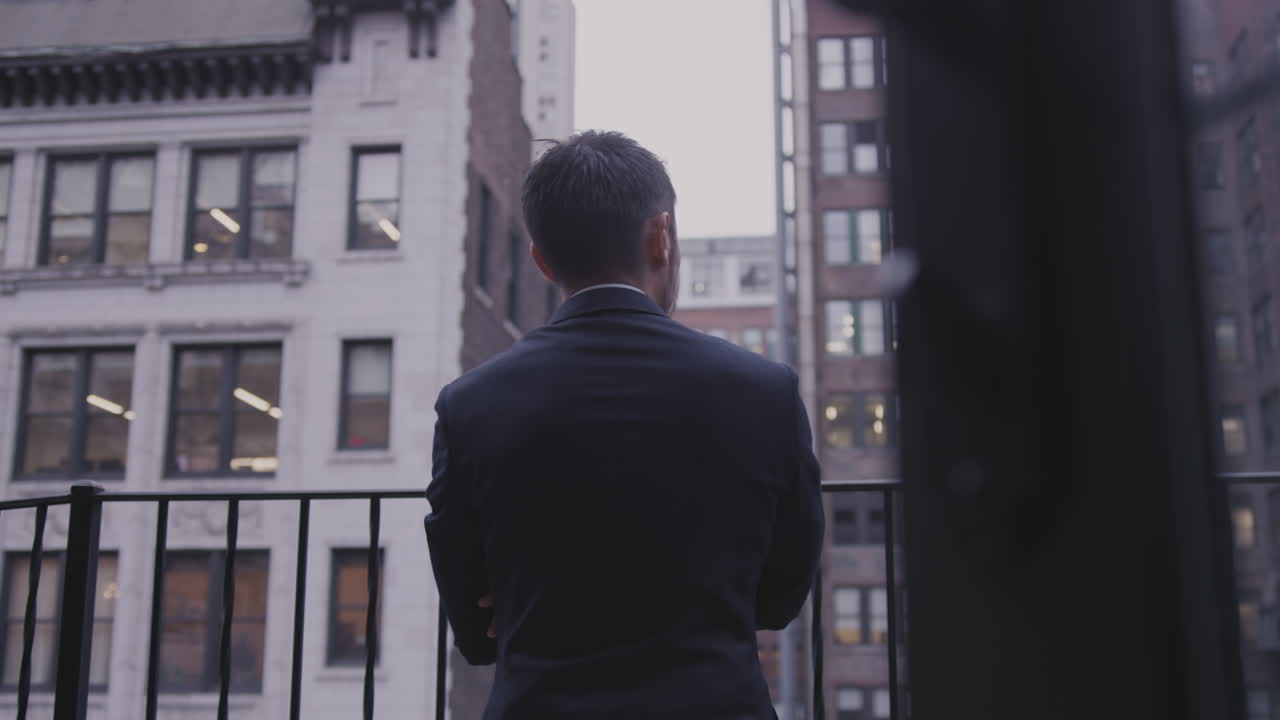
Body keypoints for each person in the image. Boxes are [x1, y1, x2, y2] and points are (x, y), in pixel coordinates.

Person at [425, 131, 823, 719]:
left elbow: (476, 632)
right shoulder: (765, 392)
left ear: (540, 258)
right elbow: (781, 597)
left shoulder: (469, 405)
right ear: (661, 236)